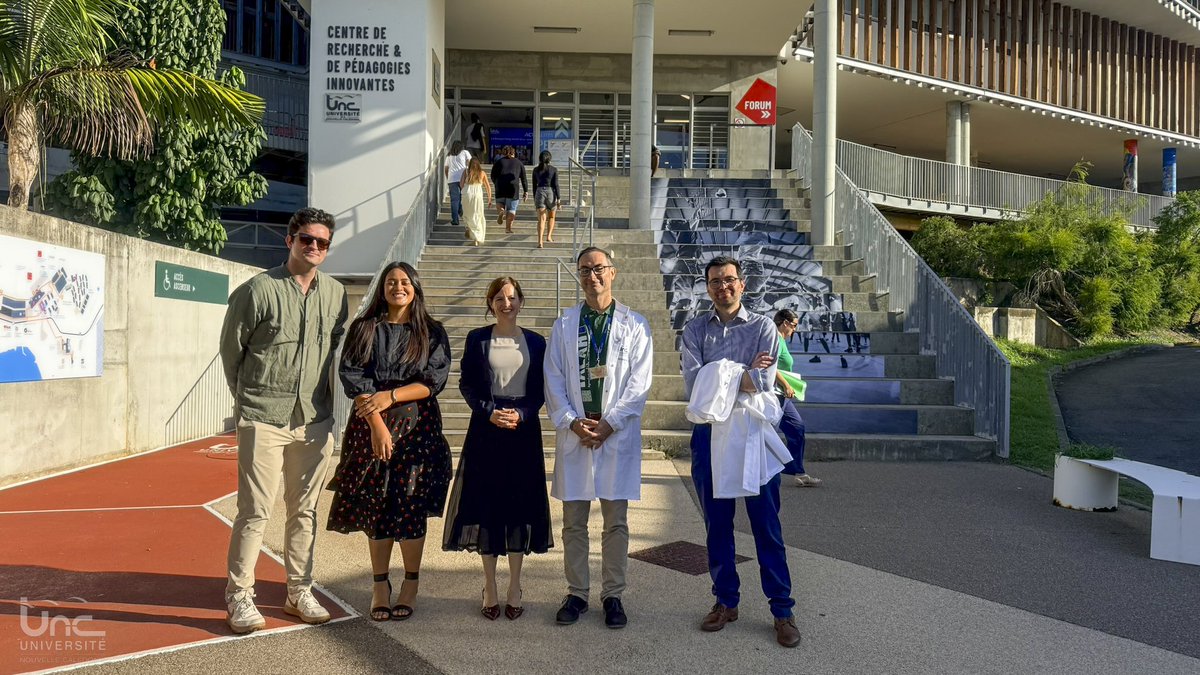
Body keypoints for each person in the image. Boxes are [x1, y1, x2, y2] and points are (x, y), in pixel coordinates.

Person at [219, 207, 349, 634]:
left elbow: (332, 347)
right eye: (306, 239)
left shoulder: (335, 294)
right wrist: (250, 402)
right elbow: (232, 353)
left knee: (305, 511)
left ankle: (298, 590)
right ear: (289, 240)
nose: (314, 247)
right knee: (254, 510)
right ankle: (239, 596)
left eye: (322, 242)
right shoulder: (256, 290)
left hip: (314, 420)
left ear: (328, 249)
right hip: (263, 416)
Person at [680, 255, 802, 648]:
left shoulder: (764, 326)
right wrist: (741, 372)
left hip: (752, 433)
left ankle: (782, 610)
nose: (723, 287)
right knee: (717, 525)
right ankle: (725, 601)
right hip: (709, 435)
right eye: (715, 281)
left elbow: (765, 381)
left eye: (729, 280)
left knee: (766, 525)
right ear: (707, 287)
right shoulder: (696, 328)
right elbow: (696, 387)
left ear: (742, 284)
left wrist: (723, 373)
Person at [325, 262, 452, 622]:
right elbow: (354, 376)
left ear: (415, 287)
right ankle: (380, 584)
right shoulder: (365, 328)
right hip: (371, 425)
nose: (398, 287)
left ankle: (410, 582)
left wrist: (391, 396)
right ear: (382, 288)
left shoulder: (432, 331)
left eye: (405, 282)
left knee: (410, 506)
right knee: (377, 505)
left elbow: (433, 381)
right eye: (391, 282)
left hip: (417, 428)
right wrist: (378, 424)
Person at [544, 247, 654, 630]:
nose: (592, 276)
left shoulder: (635, 325)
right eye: (585, 270)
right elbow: (554, 377)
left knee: (615, 521)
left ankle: (613, 595)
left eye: (599, 269)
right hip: (578, 433)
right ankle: (576, 592)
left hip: (614, 435)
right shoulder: (565, 324)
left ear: (613, 273)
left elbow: (638, 385)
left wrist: (611, 423)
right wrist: (572, 422)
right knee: (573, 520)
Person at [443, 276, 553, 621]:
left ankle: (515, 586)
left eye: (512, 297)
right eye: (500, 298)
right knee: (487, 505)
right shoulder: (477, 339)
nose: (507, 303)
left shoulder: (536, 342)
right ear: (490, 302)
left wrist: (521, 413)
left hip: (523, 429)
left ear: (521, 301)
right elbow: (467, 384)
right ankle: (489, 586)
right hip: (486, 429)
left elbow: (541, 389)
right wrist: (489, 412)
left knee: (519, 505)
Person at [773, 309, 821, 488]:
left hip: (783, 396)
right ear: (785, 323)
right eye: (793, 325)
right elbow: (771, 365)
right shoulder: (775, 339)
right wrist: (786, 384)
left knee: (797, 429)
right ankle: (760, 473)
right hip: (775, 395)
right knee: (766, 434)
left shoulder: (782, 340)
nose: (795, 329)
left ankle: (798, 472)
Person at [491, 145, 527, 235]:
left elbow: (492, 175)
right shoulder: (519, 163)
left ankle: (501, 211)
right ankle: (508, 228)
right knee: (511, 209)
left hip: (500, 187)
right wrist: (525, 191)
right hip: (513, 189)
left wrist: (496, 183)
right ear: (514, 153)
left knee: (500, 203)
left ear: (504, 152)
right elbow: (523, 178)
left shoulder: (498, 162)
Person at [460, 157, 492, 246]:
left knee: (467, 214)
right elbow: (488, 187)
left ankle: (469, 229)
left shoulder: (466, 172)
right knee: (478, 215)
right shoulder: (482, 173)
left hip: (467, 194)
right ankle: (477, 238)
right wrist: (489, 198)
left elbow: (461, 184)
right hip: (477, 195)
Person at [532, 150, 560, 248]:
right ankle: (548, 236)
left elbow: (534, 185)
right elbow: (556, 184)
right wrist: (559, 198)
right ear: (549, 159)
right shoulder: (553, 169)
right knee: (551, 216)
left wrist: (534, 197)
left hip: (539, 192)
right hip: (551, 193)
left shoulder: (535, 170)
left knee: (541, 219)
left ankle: (540, 241)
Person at [445, 140, 472, 227]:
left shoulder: (449, 155)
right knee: (462, 199)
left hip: (452, 179)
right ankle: (464, 216)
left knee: (455, 200)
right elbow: (470, 163)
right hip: (463, 178)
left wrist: (448, 178)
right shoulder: (465, 152)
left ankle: (455, 219)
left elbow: (446, 169)